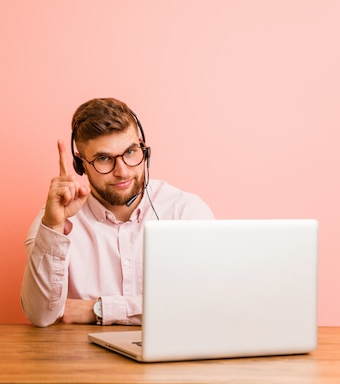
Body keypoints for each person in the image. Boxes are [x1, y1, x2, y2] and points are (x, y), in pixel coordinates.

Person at [20, 98, 214, 327]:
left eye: (131, 152)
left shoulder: (185, 212)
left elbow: (205, 304)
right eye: (103, 159)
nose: (122, 171)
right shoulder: (55, 218)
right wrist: (53, 227)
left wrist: (98, 309)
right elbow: (41, 316)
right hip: (84, 360)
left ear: (144, 149)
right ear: (80, 164)